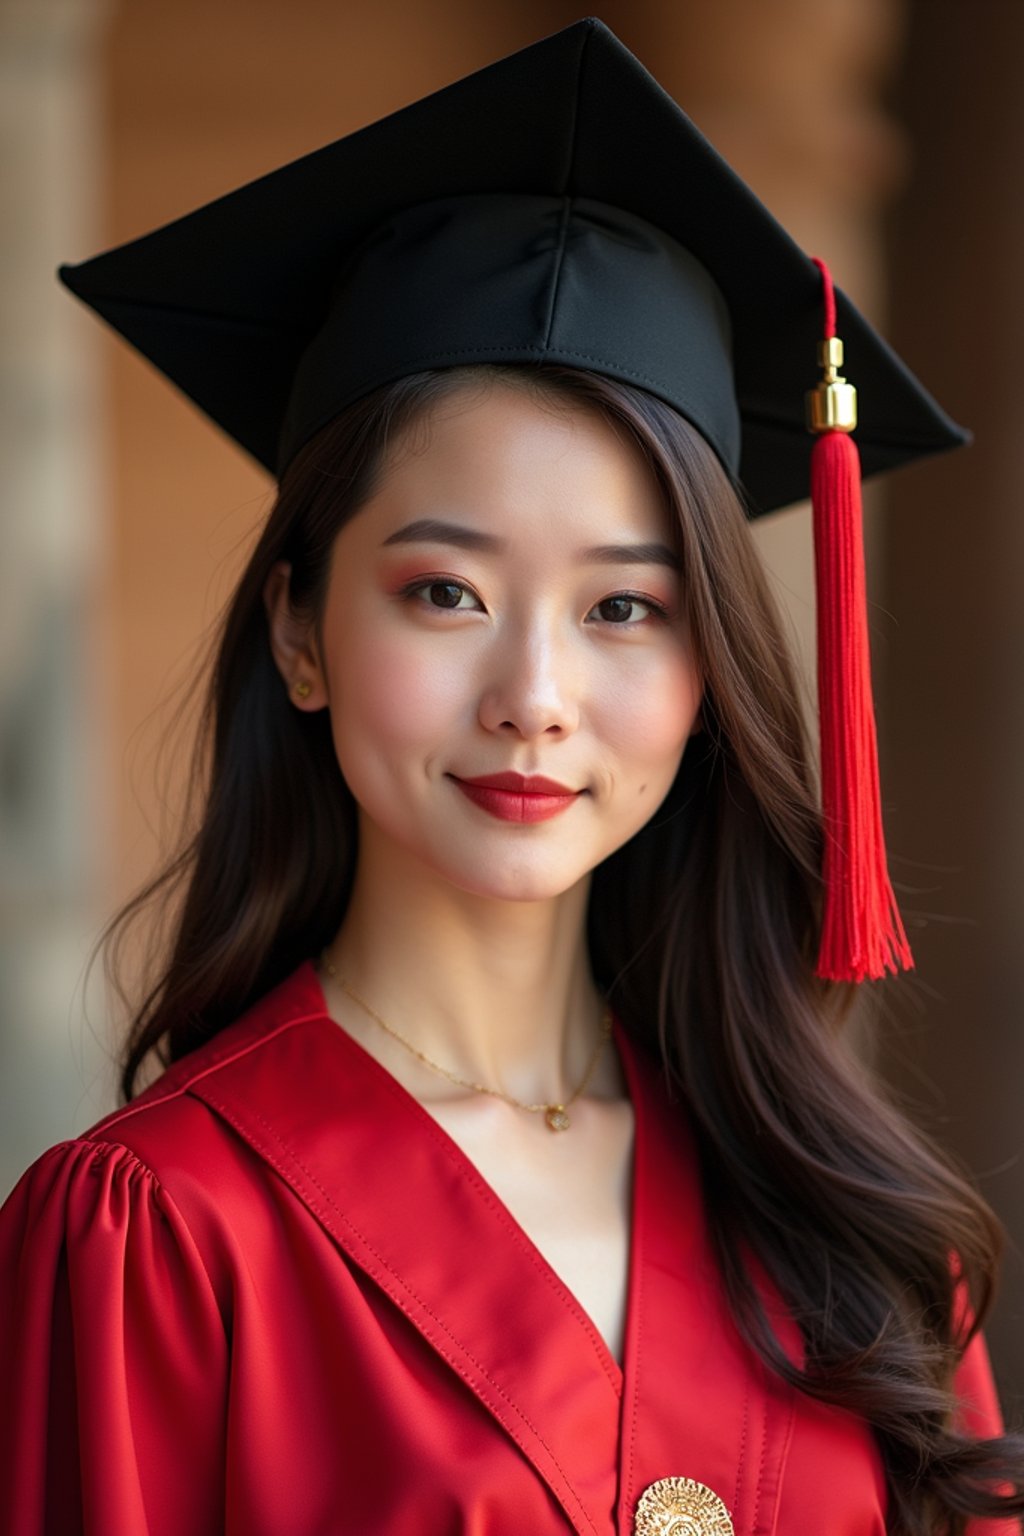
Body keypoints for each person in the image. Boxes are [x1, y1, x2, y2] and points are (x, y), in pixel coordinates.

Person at [1, 18, 1021, 1536]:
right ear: (299, 630)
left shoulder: (845, 1227)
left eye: (626, 607)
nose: (536, 699)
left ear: (705, 673)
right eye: (446, 593)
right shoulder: (163, 1236)